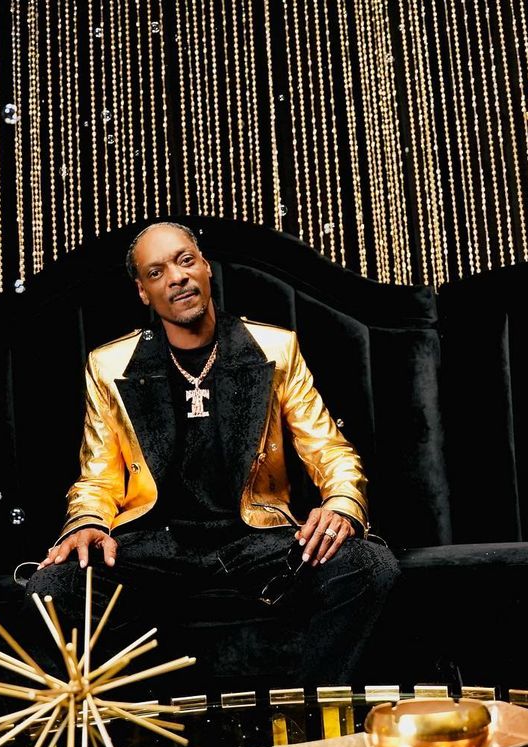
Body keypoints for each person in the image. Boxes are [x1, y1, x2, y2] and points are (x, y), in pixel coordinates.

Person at [25, 221, 399, 687]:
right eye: (157, 272)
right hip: (154, 544)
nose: (177, 277)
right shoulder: (109, 365)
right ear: (143, 292)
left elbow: (329, 449)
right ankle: (131, 729)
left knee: (370, 566)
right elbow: (98, 476)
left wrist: (341, 504)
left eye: (185, 261)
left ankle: (309, 718)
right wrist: (87, 523)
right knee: (52, 587)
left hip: (255, 537)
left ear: (205, 267)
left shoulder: (275, 348)